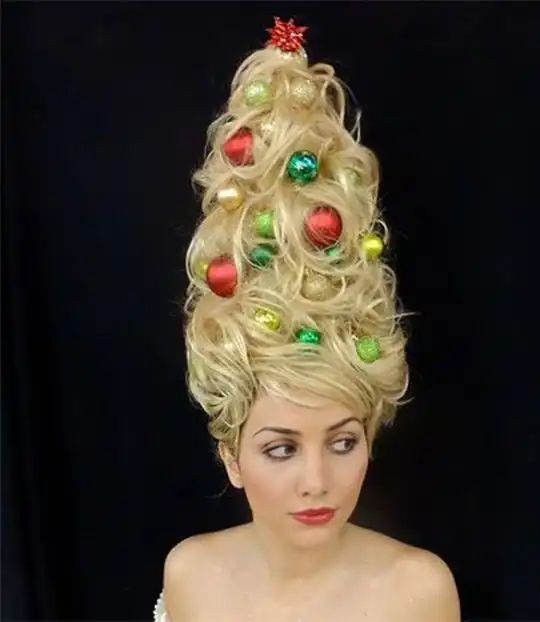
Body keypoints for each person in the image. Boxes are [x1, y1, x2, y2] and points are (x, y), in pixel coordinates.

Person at [155, 17, 461, 622]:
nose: (316, 481)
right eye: (281, 449)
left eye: (343, 442)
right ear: (230, 457)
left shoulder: (417, 592)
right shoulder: (191, 574)